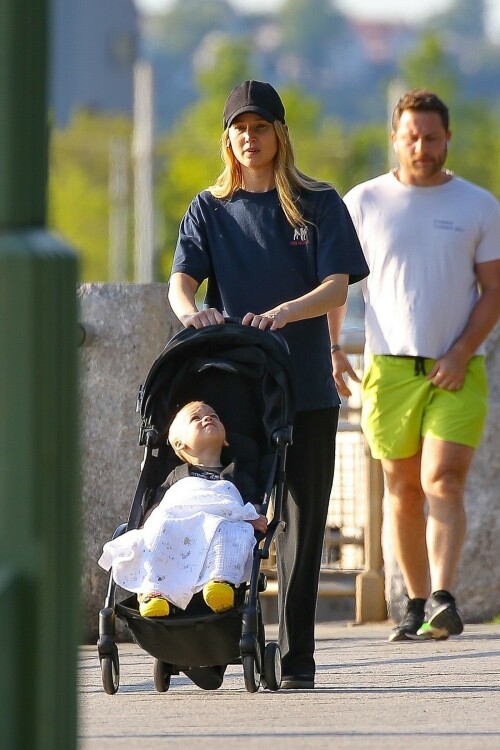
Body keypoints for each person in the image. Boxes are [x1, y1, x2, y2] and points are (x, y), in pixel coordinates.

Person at [167, 80, 369, 688]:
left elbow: (337, 286)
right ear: (227, 139)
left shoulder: (317, 202)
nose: (249, 138)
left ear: (280, 134)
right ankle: (208, 639)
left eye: (260, 128)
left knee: (305, 529)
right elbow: (181, 282)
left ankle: (299, 656)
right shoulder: (208, 209)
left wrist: (285, 311)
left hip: (305, 388)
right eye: (239, 129)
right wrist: (188, 312)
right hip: (238, 396)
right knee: (228, 517)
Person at [329, 88, 500, 642]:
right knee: (403, 490)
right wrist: (333, 347)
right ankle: (416, 602)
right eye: (412, 137)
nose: (422, 146)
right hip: (389, 368)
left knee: (443, 481)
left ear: (447, 138)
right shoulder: (364, 202)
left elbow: (493, 291)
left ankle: (445, 597)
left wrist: (458, 351)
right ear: (395, 139)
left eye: (431, 137)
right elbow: (336, 286)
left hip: (458, 366)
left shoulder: (478, 205)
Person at [98, 401, 267, 617]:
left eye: (214, 415)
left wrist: (252, 517)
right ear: (179, 444)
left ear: (225, 440)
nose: (208, 418)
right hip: (177, 527)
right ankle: (154, 591)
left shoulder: (236, 474)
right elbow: (159, 505)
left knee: (232, 533)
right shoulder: (176, 476)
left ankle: (219, 581)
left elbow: (249, 504)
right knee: (157, 531)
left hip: (218, 526)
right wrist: (150, 519)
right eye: (196, 418)